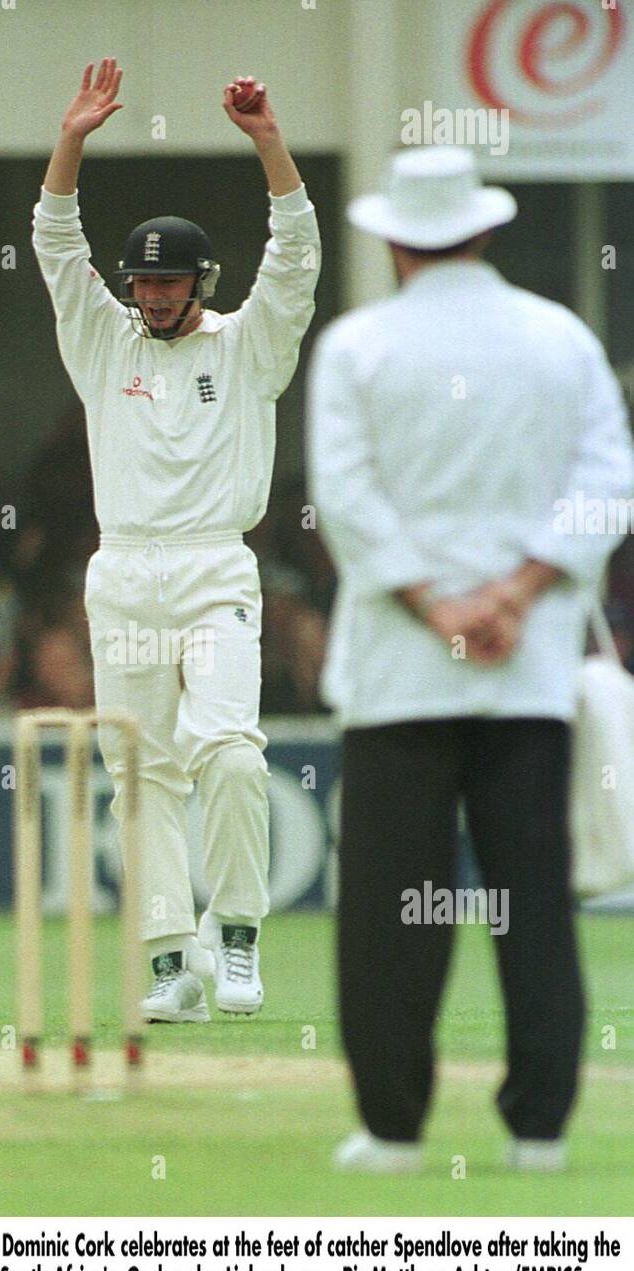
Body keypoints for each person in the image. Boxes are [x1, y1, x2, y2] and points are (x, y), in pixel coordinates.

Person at [306, 146, 634, 1173]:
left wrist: (438, 602)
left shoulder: (360, 345)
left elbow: (347, 501)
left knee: (388, 912)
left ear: (395, 238)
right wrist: (515, 593)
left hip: (403, 670)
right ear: (485, 229)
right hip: (524, 666)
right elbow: (605, 483)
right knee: (533, 895)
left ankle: (392, 1127)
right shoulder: (561, 338)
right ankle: (539, 1126)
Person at [33, 59, 320, 1021]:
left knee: (232, 752)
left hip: (212, 569)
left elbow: (297, 256)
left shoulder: (248, 347)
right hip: (121, 574)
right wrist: (70, 143)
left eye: (170, 283)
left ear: (204, 281)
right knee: (140, 772)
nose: (153, 298)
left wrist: (268, 141)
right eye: (142, 282)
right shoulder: (103, 342)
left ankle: (234, 942)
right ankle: (170, 964)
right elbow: (54, 243)